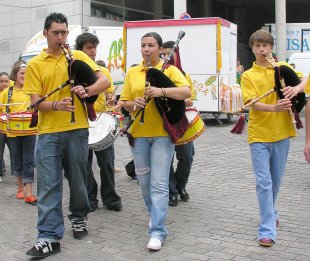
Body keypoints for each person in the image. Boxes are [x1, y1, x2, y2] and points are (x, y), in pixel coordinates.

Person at [23, 12, 110, 258]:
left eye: (64, 32)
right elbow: (35, 103)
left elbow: (104, 81)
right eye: (56, 33)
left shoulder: (79, 56)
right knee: (49, 185)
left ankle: (79, 217)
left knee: (79, 180)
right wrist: (56, 106)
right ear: (45, 34)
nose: (61, 37)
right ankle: (48, 237)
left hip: (76, 130)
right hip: (49, 132)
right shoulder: (35, 65)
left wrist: (88, 90)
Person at [120, 32, 191, 251]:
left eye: (151, 45)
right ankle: (154, 215)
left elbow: (186, 92)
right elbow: (123, 103)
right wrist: (134, 104)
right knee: (144, 183)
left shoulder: (170, 70)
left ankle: (158, 231)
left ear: (160, 49)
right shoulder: (133, 72)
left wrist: (160, 91)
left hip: (162, 135)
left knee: (159, 184)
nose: (146, 49)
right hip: (139, 135)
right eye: (143, 45)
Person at [241, 29, 303, 247]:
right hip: (258, 133)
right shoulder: (248, 75)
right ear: (253, 48)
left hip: (283, 132)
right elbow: (252, 103)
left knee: (275, 181)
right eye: (257, 46)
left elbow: (303, 85)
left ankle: (270, 211)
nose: (261, 49)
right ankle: (267, 228)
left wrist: (295, 90)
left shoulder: (283, 69)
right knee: (264, 183)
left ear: (271, 48)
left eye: (265, 46)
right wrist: (275, 107)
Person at [75, 32, 122, 212]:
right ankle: (90, 198)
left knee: (107, 163)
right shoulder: (72, 71)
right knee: (84, 165)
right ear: (80, 51)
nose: (93, 51)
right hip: (81, 123)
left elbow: (108, 89)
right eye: (89, 48)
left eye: (94, 47)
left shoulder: (102, 72)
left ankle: (110, 198)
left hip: (100, 122)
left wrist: (111, 100)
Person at [161, 41, 195, 207]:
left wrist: (188, 101)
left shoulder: (184, 75)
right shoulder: (159, 73)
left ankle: (180, 186)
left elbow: (190, 96)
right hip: (164, 121)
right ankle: (171, 190)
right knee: (166, 158)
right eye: (164, 53)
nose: (167, 56)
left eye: (170, 53)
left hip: (182, 122)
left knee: (187, 156)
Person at [0, 61, 37, 203]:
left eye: (27, 74)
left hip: (29, 130)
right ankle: (20, 187)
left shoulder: (32, 90)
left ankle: (29, 191)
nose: (25, 76)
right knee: (17, 158)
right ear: (15, 74)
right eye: (22, 73)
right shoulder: (7, 92)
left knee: (29, 159)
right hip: (12, 131)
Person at [0, 72, 10, 182]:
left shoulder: (11, 92)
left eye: (6, 81)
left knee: (15, 151)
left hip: (12, 126)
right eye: (1, 81)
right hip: (1, 128)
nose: (4, 83)